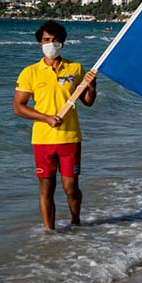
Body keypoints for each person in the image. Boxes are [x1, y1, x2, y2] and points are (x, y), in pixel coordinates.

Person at [13, 20, 96, 230]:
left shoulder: (75, 68)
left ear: (63, 42)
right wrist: (46, 118)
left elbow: (87, 102)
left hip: (70, 137)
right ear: (40, 43)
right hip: (42, 139)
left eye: (55, 40)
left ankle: (76, 223)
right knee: (46, 188)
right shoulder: (30, 72)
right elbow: (19, 107)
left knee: (71, 187)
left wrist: (92, 86)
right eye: (47, 40)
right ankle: (49, 233)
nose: (51, 43)